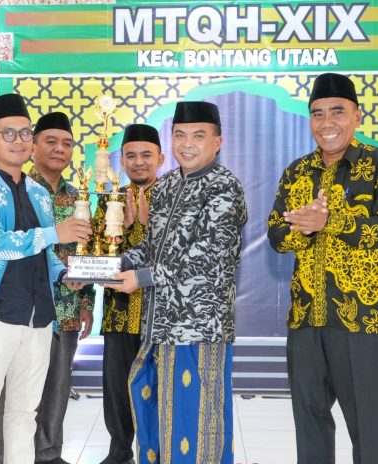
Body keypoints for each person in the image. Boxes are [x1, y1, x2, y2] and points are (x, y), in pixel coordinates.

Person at [267, 72, 378, 464]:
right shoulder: (297, 171)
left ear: (357, 116)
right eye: (317, 114)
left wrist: (330, 221)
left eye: (337, 112)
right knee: (309, 422)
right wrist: (303, 229)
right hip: (306, 317)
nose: (327, 122)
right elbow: (276, 235)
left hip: (362, 318)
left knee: (367, 424)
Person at [106, 102, 247, 464]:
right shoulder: (167, 185)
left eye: (198, 136)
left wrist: (141, 278)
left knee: (198, 425)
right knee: (156, 425)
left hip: (199, 330)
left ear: (218, 141)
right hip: (158, 327)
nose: (187, 144)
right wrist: (114, 264)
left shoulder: (224, 188)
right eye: (180, 135)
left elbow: (207, 257)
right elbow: (152, 247)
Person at [0, 94, 91, 464]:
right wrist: (54, 233)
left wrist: (65, 274)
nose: (19, 141)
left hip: (39, 319)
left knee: (23, 414)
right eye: (8, 133)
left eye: (25, 133)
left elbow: (44, 254)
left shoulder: (38, 194)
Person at [0, 111, 95, 464]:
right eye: (50, 141)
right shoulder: (16, 189)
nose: (59, 149)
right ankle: (8, 454)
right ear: (32, 146)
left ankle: (48, 455)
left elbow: (87, 252)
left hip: (65, 307)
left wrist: (87, 302)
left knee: (57, 387)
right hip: (21, 309)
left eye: (66, 143)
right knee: (14, 391)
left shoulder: (77, 198)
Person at [97, 123, 164, 464]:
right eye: (131, 155)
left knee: (160, 392)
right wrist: (120, 230)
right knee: (118, 391)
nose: (139, 162)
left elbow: (176, 257)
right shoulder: (109, 200)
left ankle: (157, 454)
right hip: (119, 314)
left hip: (162, 318)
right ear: (121, 160)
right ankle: (119, 452)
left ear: (160, 158)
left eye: (146, 155)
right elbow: (96, 256)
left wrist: (150, 225)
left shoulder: (174, 198)